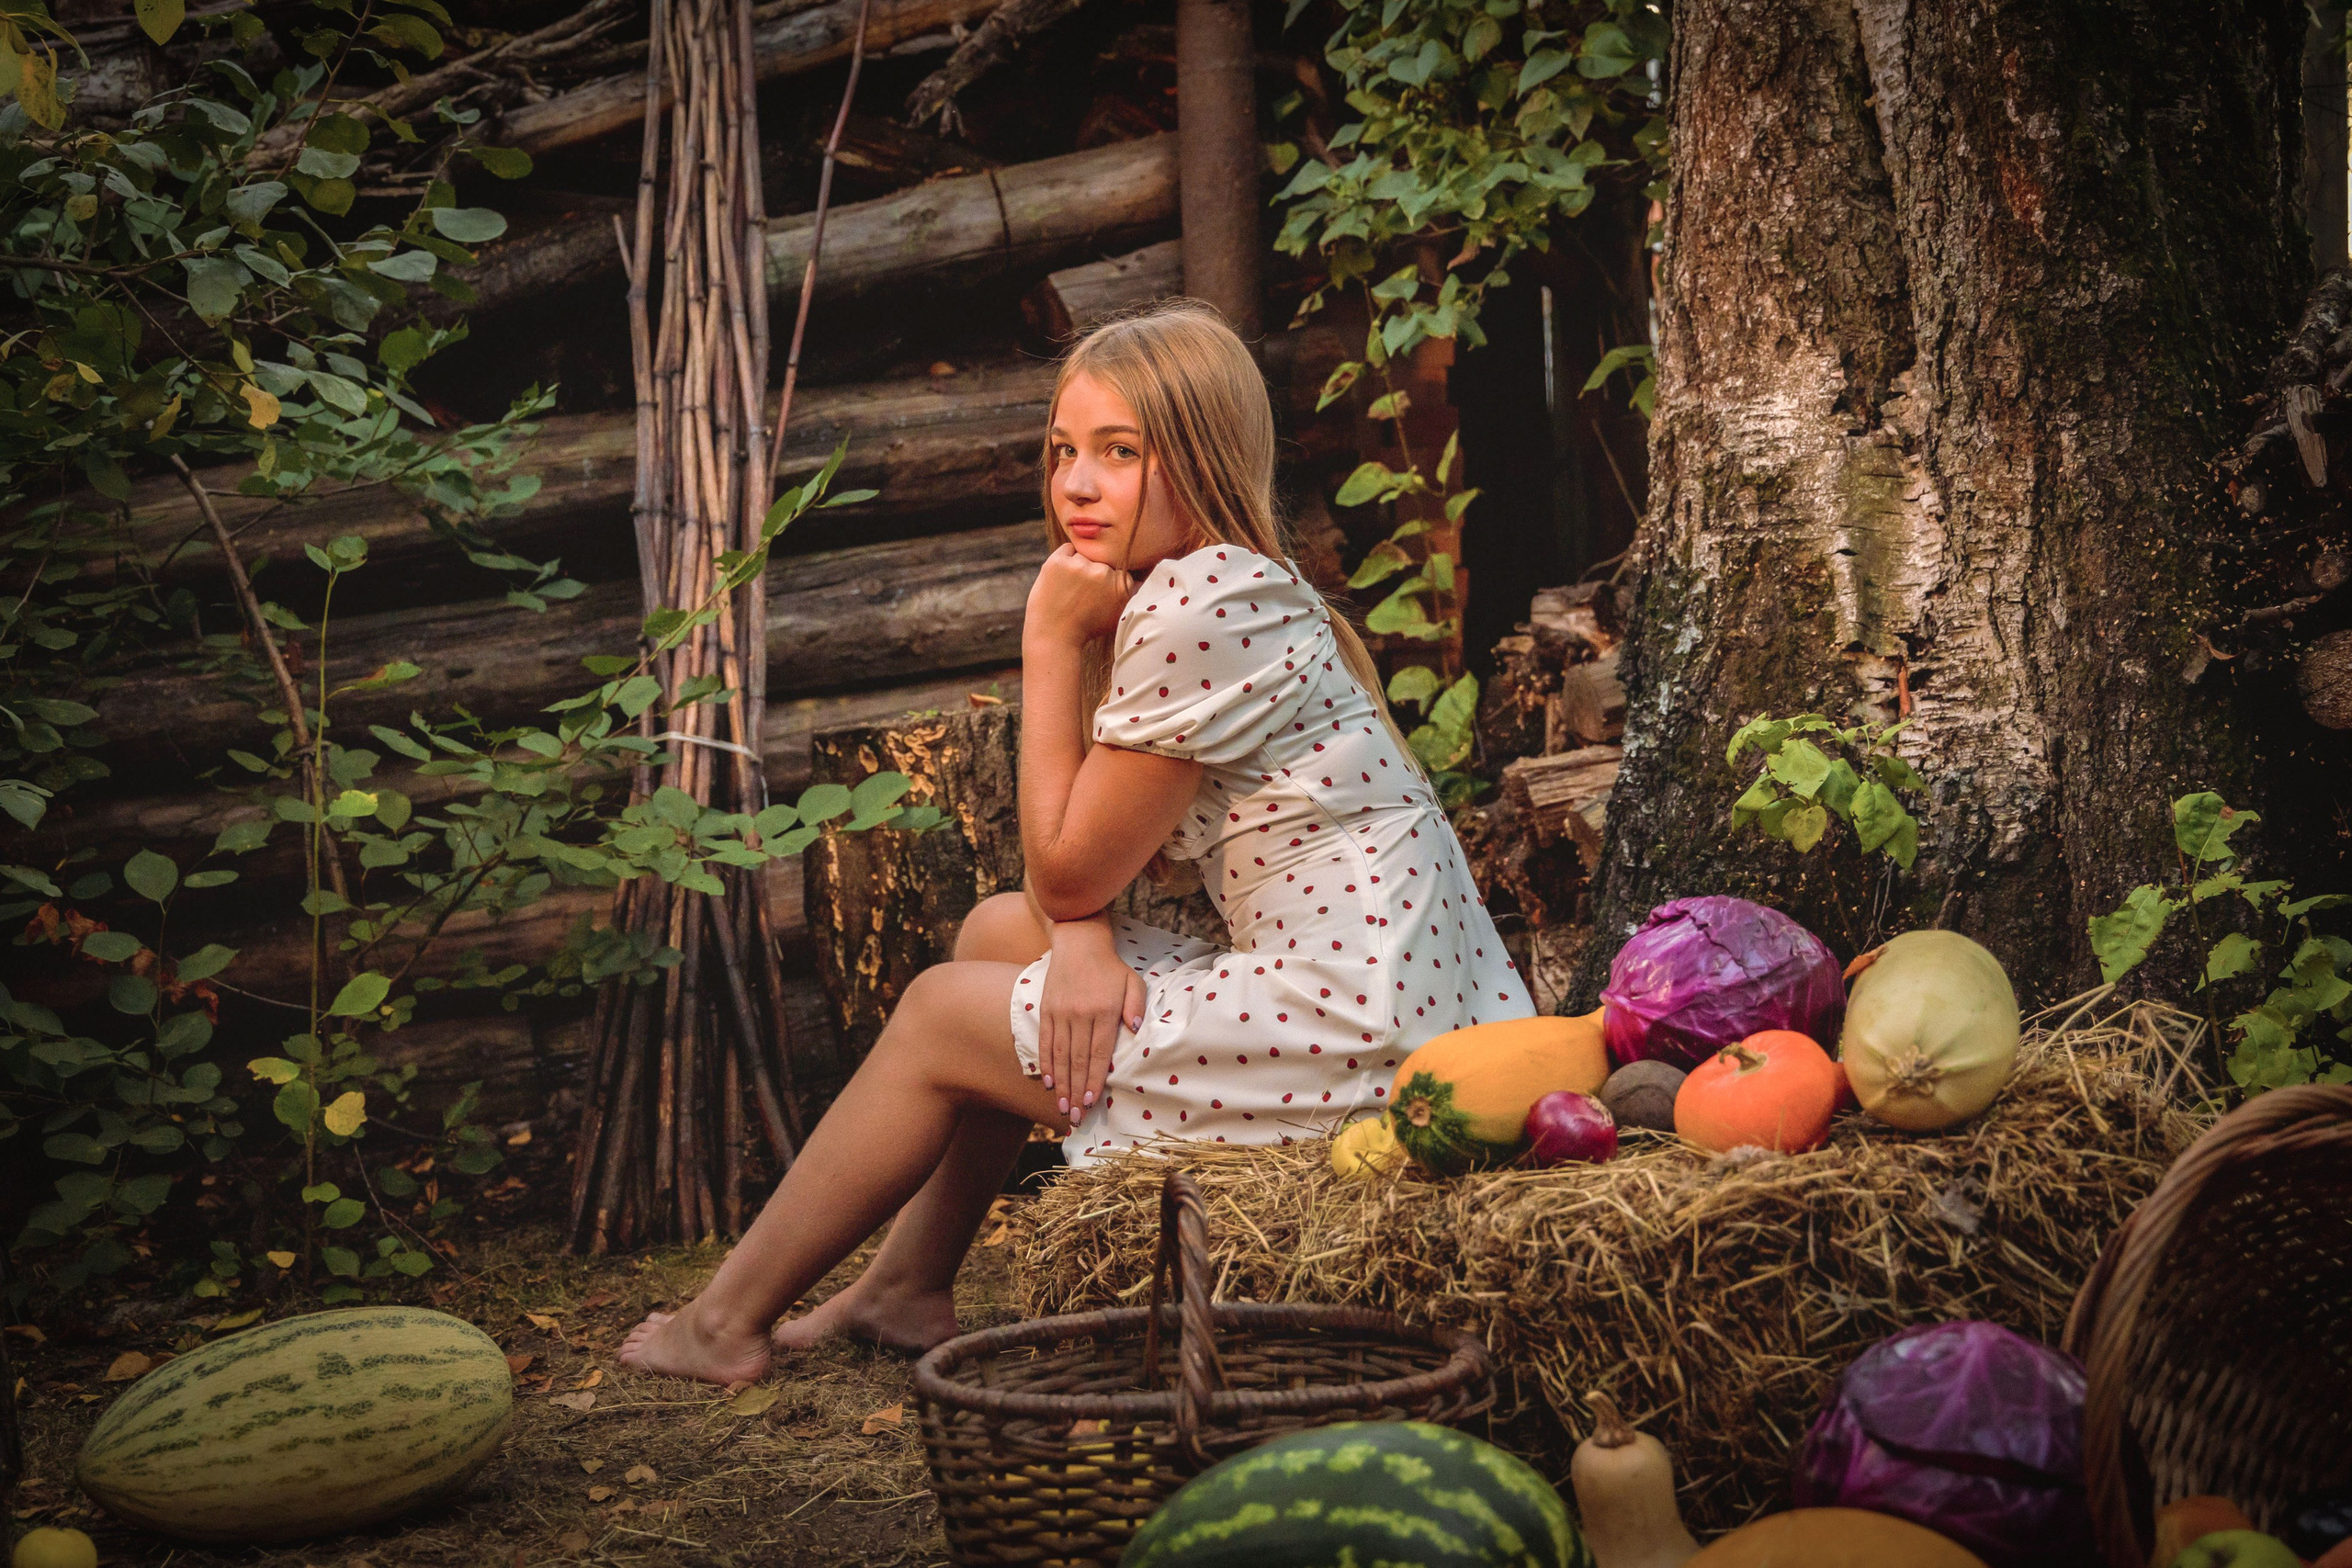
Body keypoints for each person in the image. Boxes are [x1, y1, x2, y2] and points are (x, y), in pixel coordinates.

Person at [618, 301, 1530, 1386]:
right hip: (1404, 1012)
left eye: (1119, 452)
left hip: (1359, 1040)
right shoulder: (1236, 584)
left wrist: (1048, 641)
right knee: (999, 933)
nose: (1078, 486)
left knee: (938, 1015)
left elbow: (1068, 865)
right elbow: (1076, 880)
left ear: (1203, 456)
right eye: (1062, 451)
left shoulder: (1201, 607)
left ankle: (723, 1323)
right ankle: (905, 1285)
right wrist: (1081, 941)